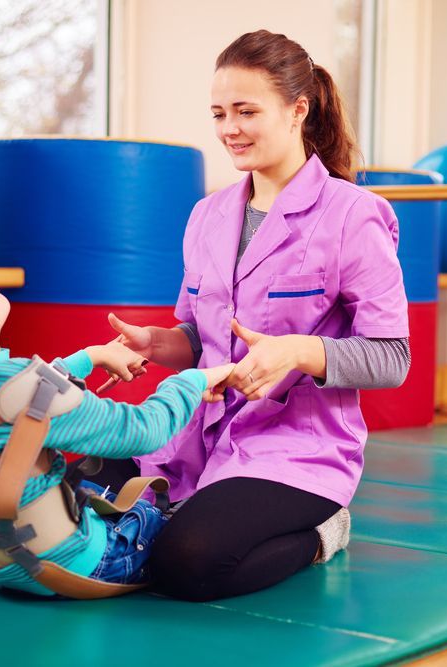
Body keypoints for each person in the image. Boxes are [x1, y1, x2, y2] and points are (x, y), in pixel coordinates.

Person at [87, 30, 411, 601]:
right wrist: (158, 343)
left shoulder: (353, 215)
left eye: (245, 111)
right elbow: (198, 334)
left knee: (187, 564)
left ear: (298, 110)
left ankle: (322, 532)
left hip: (293, 447)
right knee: (74, 492)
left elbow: (392, 357)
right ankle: (185, 503)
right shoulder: (206, 215)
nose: (228, 129)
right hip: (194, 431)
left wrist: (299, 352)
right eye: (218, 113)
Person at [0, 262, 234, 596]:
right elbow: (143, 431)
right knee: (182, 525)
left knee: (90, 487)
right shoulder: (24, 394)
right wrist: (188, 383)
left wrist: (90, 357)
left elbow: (25, 394)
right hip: (82, 564)